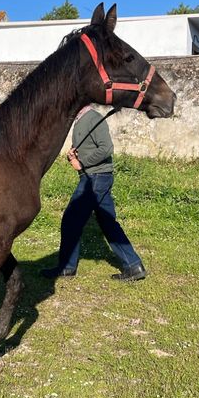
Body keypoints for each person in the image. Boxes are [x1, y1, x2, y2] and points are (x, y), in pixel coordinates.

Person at [40, 106, 147, 281]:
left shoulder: (93, 118)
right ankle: (134, 266)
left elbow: (106, 148)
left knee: (71, 220)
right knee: (107, 222)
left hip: (95, 178)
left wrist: (82, 162)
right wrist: (74, 155)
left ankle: (67, 268)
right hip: (94, 177)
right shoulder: (81, 120)